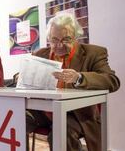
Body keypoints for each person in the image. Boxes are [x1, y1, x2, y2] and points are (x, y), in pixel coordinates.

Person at [25, 13, 120, 151]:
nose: (59, 45)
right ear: (49, 39)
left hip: (77, 113)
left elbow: (113, 81)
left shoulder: (93, 53)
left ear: (76, 37)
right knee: (16, 119)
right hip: (45, 110)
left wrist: (79, 78)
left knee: (61, 134)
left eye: (66, 39)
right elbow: (26, 73)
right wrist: (20, 76)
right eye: (54, 40)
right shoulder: (40, 54)